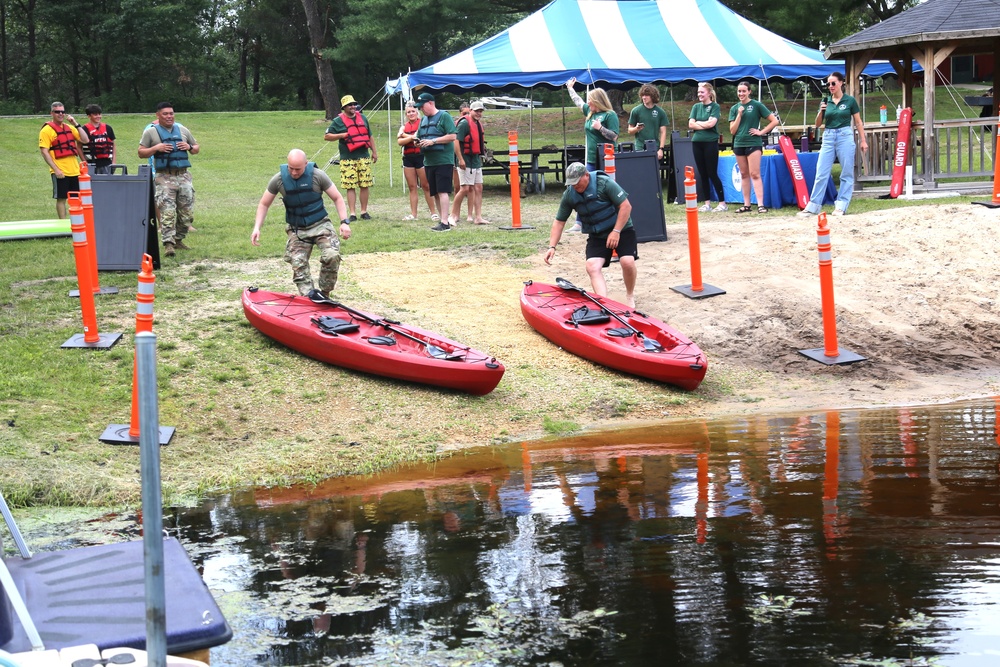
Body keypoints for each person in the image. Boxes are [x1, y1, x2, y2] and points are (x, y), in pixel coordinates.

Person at [251, 149, 351, 299]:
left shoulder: (318, 176)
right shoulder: (279, 180)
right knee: (298, 262)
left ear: (306, 163)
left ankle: (325, 294)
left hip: (320, 225)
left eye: (298, 169)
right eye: (290, 168)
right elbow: (264, 204)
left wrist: (344, 222)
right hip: (297, 229)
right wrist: (257, 227)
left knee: (331, 255)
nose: (294, 173)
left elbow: (337, 198)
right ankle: (309, 297)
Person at [544, 162, 639, 308]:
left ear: (586, 176)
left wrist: (616, 231)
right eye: (572, 183)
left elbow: (626, 206)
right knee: (592, 266)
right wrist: (552, 246)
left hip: (621, 229)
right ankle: (603, 303)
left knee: (627, 261)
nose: (575, 186)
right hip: (598, 234)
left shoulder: (604, 183)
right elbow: (559, 222)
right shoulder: (570, 194)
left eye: (577, 182)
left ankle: (629, 295)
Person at [798, 72, 869, 217]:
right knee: (821, 172)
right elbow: (817, 124)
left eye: (833, 83)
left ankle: (841, 205)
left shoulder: (850, 101)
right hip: (828, 136)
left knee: (846, 172)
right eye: (828, 84)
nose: (830, 86)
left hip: (845, 135)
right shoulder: (826, 101)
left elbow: (858, 121)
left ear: (841, 83)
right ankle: (813, 206)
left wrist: (863, 140)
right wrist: (820, 111)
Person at [138, 102, 199, 256]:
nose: (169, 116)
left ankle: (178, 240)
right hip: (164, 176)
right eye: (165, 114)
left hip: (183, 176)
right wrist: (155, 148)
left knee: (187, 215)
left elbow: (196, 148)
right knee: (168, 212)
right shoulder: (151, 132)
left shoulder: (183, 130)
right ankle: (168, 244)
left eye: (171, 113)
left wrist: (189, 147)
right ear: (157, 115)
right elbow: (141, 152)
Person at [324, 94, 377, 221]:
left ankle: (364, 211)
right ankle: (352, 213)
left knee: (365, 184)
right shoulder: (337, 122)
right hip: (347, 157)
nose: (353, 107)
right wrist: (341, 135)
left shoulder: (363, 118)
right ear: (344, 107)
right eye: (350, 105)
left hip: (363, 156)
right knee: (350, 186)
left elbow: (369, 136)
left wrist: (374, 152)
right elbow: (327, 136)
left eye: (354, 104)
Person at [728, 81, 779, 213]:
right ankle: (747, 205)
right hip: (739, 143)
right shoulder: (734, 108)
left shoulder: (756, 105)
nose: (741, 94)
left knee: (754, 173)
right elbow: (732, 131)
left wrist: (761, 132)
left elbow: (774, 120)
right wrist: (739, 114)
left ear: (749, 91)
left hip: (753, 143)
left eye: (744, 91)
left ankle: (760, 205)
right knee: (744, 174)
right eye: (739, 91)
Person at [414, 92, 458, 232]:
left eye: (422, 106)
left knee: (443, 190)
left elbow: (452, 136)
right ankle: (442, 220)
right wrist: (418, 142)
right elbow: (419, 136)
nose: (421, 109)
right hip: (429, 161)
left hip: (443, 160)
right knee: (435, 192)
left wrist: (433, 141)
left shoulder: (444, 116)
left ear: (431, 103)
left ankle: (445, 222)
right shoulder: (423, 120)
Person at [38, 101, 89, 219]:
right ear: (51, 113)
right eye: (57, 112)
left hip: (75, 170)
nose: (60, 114)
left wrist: (75, 123)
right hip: (60, 171)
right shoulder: (46, 130)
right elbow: (44, 151)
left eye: (62, 112)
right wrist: (56, 170)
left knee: (76, 198)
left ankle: (77, 220)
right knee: (61, 198)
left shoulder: (70, 128)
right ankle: (62, 223)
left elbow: (85, 140)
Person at [564, 78, 620, 171]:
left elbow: (614, 136)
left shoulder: (610, 115)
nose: (588, 103)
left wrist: (601, 128)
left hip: (607, 158)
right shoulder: (590, 112)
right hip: (591, 159)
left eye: (590, 100)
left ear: (597, 101)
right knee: (590, 183)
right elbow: (578, 101)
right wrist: (570, 88)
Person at [397, 101, 439, 222]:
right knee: (412, 186)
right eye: (408, 112)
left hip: (421, 156)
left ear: (417, 112)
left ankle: (433, 212)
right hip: (408, 158)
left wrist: (404, 135)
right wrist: (408, 137)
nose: (411, 114)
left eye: (413, 111)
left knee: (426, 185)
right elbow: (399, 142)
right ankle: (413, 214)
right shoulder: (404, 126)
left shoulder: (422, 124)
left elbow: (417, 138)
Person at [688, 82, 727, 212]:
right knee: (702, 173)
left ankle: (722, 203)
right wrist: (702, 124)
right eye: (698, 92)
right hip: (697, 142)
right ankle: (707, 203)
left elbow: (711, 124)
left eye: (702, 92)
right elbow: (691, 124)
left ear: (709, 93)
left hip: (710, 142)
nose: (699, 94)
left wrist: (698, 123)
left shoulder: (715, 106)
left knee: (712, 172)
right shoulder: (695, 107)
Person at [451, 100, 489, 225]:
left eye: (481, 111)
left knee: (478, 188)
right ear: (471, 110)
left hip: (476, 160)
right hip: (465, 160)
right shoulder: (463, 124)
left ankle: (478, 217)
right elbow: (456, 142)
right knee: (464, 188)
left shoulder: (478, 124)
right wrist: (460, 159)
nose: (479, 113)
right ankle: (453, 215)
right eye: (477, 111)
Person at [627, 83, 669, 161]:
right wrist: (636, 128)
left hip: (654, 146)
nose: (644, 97)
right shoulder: (636, 111)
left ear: (653, 96)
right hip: (639, 147)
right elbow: (630, 131)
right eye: (642, 95)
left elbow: (663, 132)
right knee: (640, 171)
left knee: (654, 171)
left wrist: (661, 149)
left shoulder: (660, 112)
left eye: (646, 95)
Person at [82, 104, 116, 174]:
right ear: (89, 116)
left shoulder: (108, 128)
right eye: (95, 114)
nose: (98, 116)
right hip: (91, 163)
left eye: (99, 114)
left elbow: (113, 145)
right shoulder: (84, 129)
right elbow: (79, 147)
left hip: (107, 163)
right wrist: (85, 162)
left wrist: (114, 162)